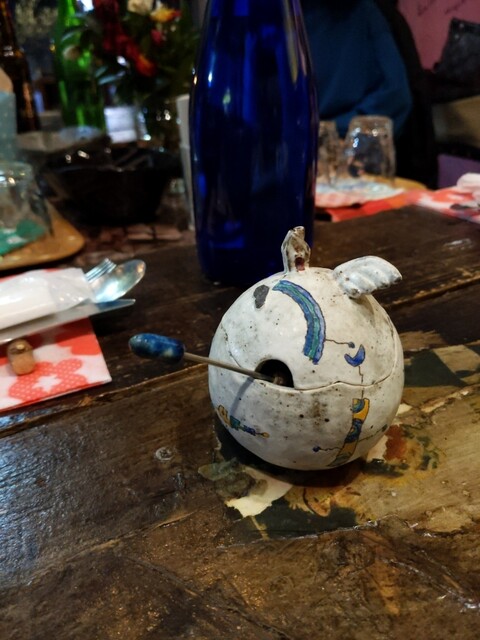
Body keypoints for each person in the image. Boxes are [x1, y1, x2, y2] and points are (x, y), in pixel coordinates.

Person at [301, 0, 412, 139]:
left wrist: (328, 132)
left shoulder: (363, 14)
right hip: (305, 139)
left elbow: (395, 99)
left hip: (346, 141)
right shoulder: (283, 21)